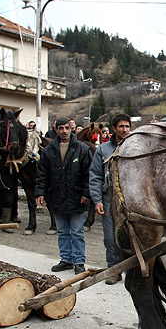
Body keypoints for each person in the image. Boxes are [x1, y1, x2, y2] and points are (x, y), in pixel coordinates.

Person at [36, 118, 92, 274]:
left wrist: (86, 193)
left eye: (67, 128)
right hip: (57, 195)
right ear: (56, 130)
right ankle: (66, 259)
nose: (64, 131)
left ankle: (79, 261)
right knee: (62, 230)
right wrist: (40, 192)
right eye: (61, 128)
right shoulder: (48, 151)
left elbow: (88, 174)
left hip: (76, 196)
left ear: (71, 129)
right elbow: (42, 174)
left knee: (77, 232)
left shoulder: (82, 149)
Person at [89, 114, 131, 284]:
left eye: (127, 126)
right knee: (110, 236)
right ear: (114, 128)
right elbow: (95, 176)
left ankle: (131, 270)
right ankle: (114, 269)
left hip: (131, 199)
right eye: (121, 126)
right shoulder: (103, 150)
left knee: (130, 235)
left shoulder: (135, 146)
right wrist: (97, 200)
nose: (125, 130)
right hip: (109, 198)